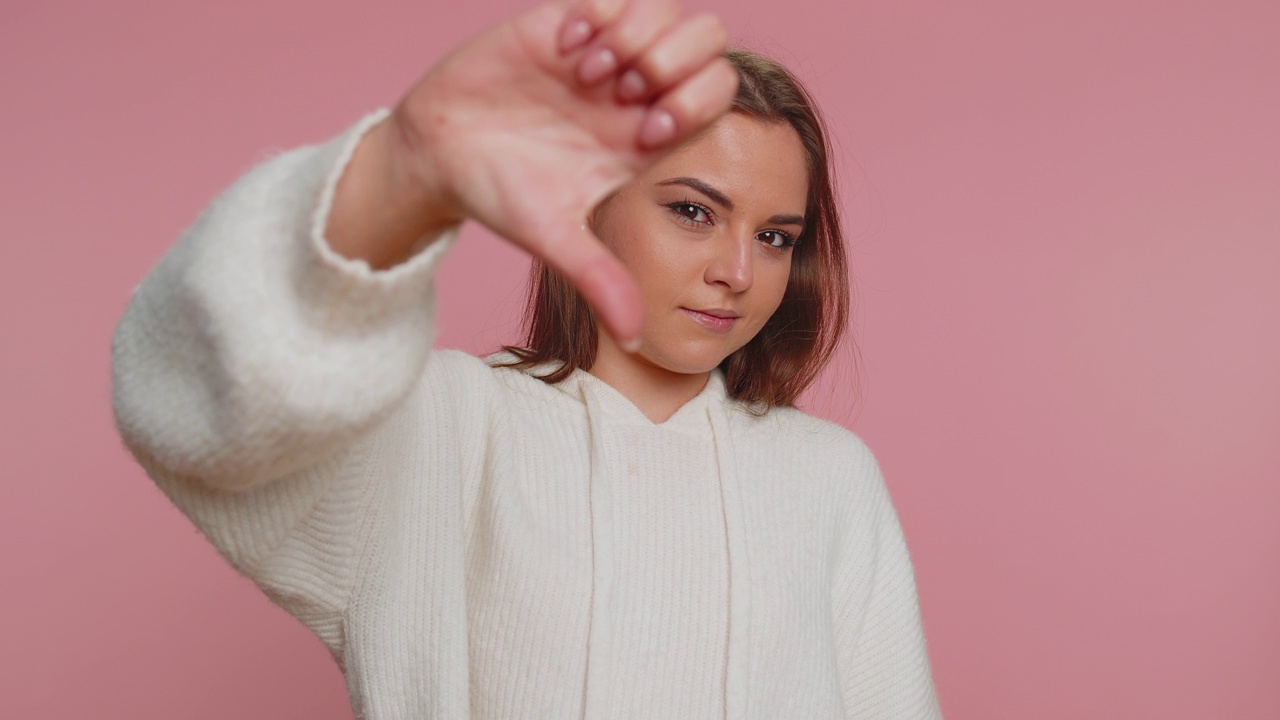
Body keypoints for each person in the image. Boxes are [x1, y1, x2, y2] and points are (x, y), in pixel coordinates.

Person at [110, 0, 943, 717]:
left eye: (773, 237)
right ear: (591, 202)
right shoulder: (445, 426)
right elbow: (196, 401)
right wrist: (398, 172)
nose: (736, 271)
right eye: (693, 211)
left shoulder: (830, 479)